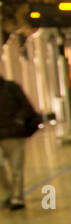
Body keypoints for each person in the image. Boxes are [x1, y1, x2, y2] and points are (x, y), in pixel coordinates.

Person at [0, 74, 39, 209]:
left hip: (14, 135)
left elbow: (26, 107)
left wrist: (18, 121)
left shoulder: (11, 88)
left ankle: (17, 198)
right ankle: (6, 194)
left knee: (16, 168)